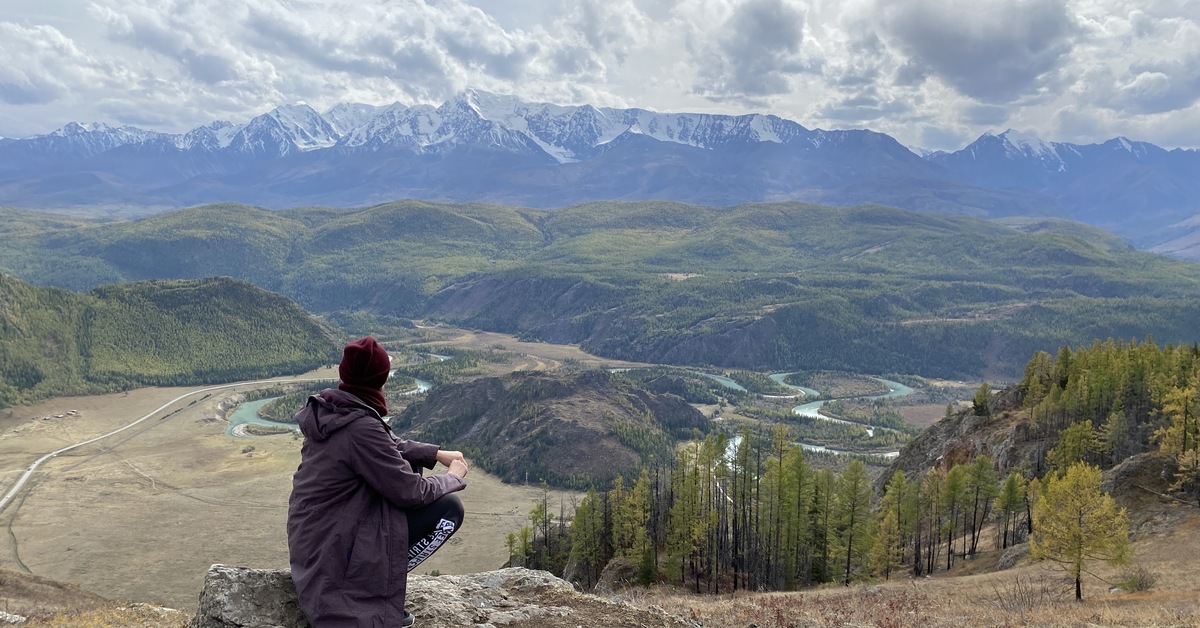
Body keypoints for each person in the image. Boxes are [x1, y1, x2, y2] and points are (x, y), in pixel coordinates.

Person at [288, 336, 468, 628]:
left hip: (319, 540)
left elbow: (388, 445)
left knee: (410, 467)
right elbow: (412, 492)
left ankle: (378, 584)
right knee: (449, 510)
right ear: (381, 378)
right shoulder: (360, 426)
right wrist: (452, 478)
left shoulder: (335, 411)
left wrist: (435, 453)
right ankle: (376, 590)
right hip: (334, 550)